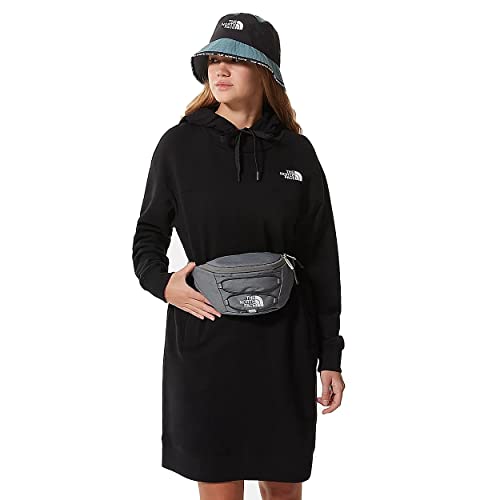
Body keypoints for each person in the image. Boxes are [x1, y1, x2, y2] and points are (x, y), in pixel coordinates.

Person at [132, 12, 346, 500]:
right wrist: (163, 284)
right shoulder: (178, 146)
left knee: (283, 487)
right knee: (220, 487)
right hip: (206, 338)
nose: (220, 69)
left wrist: (329, 356)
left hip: (283, 344)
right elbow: (147, 236)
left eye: (236, 60)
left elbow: (321, 260)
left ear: (265, 71)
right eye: (214, 60)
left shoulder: (298, 154)